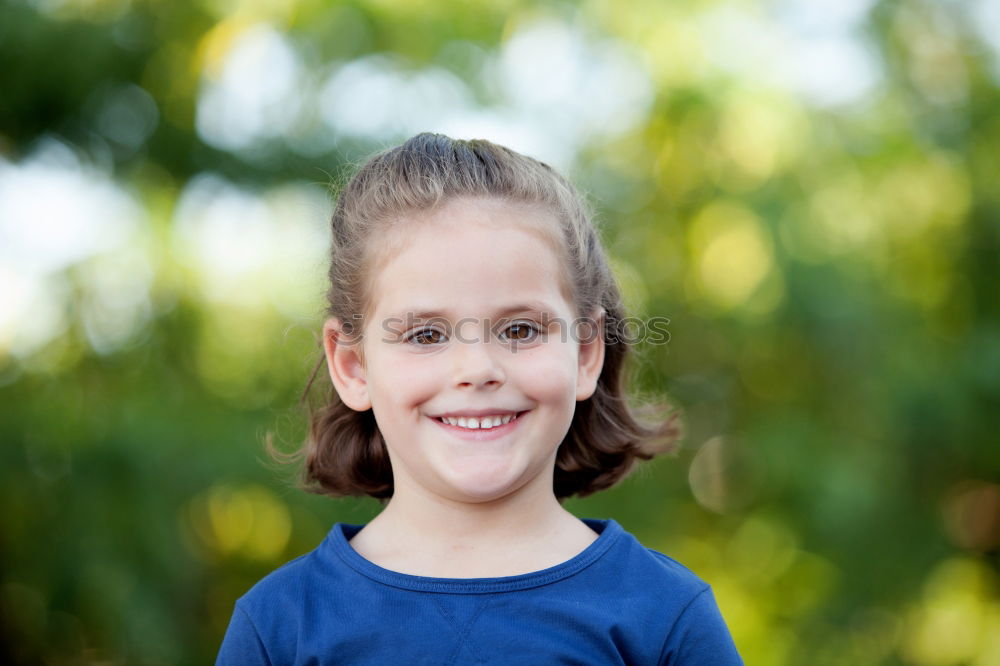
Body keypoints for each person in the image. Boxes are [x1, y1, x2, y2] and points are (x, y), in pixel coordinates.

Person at [215, 133, 743, 665]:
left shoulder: (665, 616)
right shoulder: (281, 626)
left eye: (519, 330)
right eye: (425, 335)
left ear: (585, 354)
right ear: (353, 366)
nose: (477, 370)